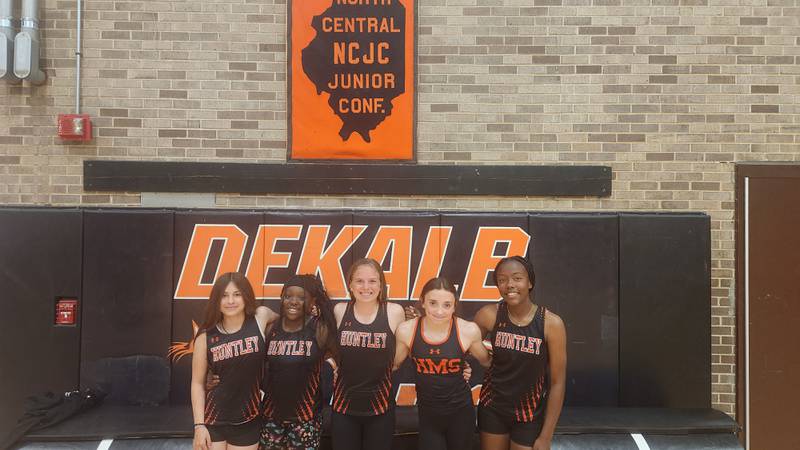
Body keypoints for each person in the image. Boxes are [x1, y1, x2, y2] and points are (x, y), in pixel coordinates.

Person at [473, 256, 567, 450]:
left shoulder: (551, 324)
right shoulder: (489, 315)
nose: (509, 285)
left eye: (517, 278)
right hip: (492, 408)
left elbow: (558, 383)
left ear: (530, 282)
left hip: (529, 414)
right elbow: (460, 339)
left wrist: (546, 436)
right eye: (502, 280)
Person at [393, 276, 492, 450]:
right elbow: (392, 365)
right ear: (422, 302)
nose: (439, 311)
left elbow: (488, 362)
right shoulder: (407, 330)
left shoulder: (468, 330)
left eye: (447, 305)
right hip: (428, 415)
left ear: (455, 305)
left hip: (461, 413)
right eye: (433, 303)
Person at [191, 272, 279, 450]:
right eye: (224, 295)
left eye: (237, 294)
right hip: (212, 420)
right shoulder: (205, 335)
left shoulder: (260, 317)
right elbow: (197, 384)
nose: (230, 301)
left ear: (246, 296)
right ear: (216, 300)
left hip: (248, 419)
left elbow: (286, 321)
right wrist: (199, 426)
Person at [331, 258, 406, 450]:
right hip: (343, 407)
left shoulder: (394, 312)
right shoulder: (340, 311)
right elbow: (325, 345)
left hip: (380, 409)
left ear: (381, 284)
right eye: (359, 281)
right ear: (350, 284)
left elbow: (397, 361)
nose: (366, 287)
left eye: (372, 281)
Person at [259, 274, 338, 450]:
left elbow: (339, 358)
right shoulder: (271, 328)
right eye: (288, 296)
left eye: (301, 298)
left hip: (305, 420)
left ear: (312, 302)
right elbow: (250, 363)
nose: (293, 301)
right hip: (272, 418)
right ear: (281, 298)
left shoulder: (320, 328)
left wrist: (332, 365)